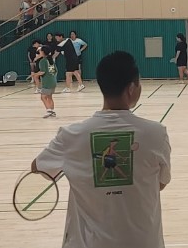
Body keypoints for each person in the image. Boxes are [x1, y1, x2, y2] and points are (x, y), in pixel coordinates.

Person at [32, 51, 172, 248]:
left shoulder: (71, 135)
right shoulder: (156, 133)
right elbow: (161, 183)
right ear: (132, 88)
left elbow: (38, 167)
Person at [33, 44, 58, 118]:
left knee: (43, 97)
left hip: (47, 82)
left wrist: (35, 75)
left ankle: (49, 111)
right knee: (50, 97)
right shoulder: (51, 60)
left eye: (40, 51)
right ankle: (52, 111)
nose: (39, 52)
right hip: (53, 81)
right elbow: (55, 71)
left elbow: (43, 72)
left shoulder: (43, 61)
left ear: (43, 52)